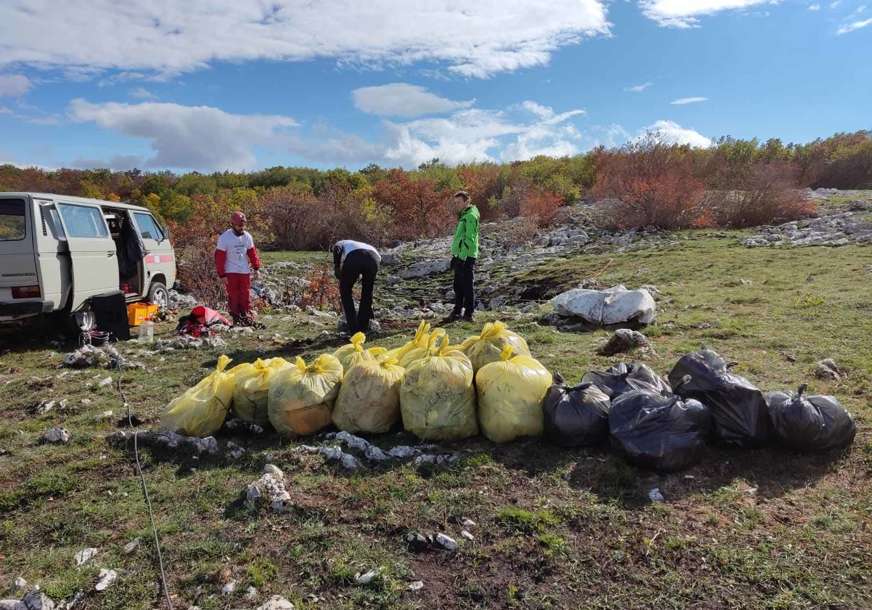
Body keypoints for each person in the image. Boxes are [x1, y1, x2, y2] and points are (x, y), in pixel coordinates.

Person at [214, 211, 261, 325]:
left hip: (244, 271)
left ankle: (246, 316)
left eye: (243, 225)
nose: (242, 227)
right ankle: (236, 318)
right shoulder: (225, 238)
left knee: (245, 294)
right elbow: (219, 258)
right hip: (230, 272)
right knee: (233, 296)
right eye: (240, 225)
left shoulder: (247, 237)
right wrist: (222, 274)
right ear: (232, 224)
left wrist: (256, 268)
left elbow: (252, 253)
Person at [332, 239, 381, 335]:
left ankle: (353, 329)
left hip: (354, 257)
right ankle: (363, 328)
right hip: (374, 258)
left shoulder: (340, 243)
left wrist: (337, 267)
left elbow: (337, 249)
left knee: (345, 291)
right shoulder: (364, 245)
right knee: (367, 292)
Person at [446, 190, 480, 322]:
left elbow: (469, 239)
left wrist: (462, 258)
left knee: (467, 285)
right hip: (461, 255)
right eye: (455, 202)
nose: (457, 205)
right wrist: (456, 256)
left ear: (467, 201)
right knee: (458, 285)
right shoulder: (465, 214)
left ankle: (468, 314)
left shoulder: (470, 216)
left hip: (467, 256)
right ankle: (457, 310)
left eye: (459, 202)